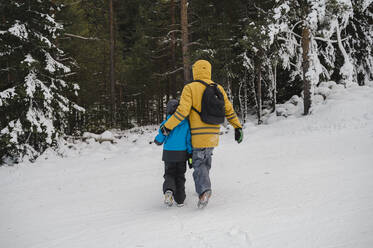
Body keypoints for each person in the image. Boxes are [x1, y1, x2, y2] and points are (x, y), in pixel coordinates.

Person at [160, 60, 243, 208]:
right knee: (206, 161)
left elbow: (182, 111)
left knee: (199, 163)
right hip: (213, 133)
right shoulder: (218, 88)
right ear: (208, 71)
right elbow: (229, 110)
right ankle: (203, 185)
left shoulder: (190, 88)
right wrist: (237, 127)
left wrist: (168, 126)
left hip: (197, 134)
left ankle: (204, 190)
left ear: (195, 71)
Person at [154, 99, 193, 207]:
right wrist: (190, 153)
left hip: (169, 153)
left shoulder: (166, 123)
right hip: (182, 153)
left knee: (169, 174)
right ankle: (180, 200)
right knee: (180, 176)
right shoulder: (186, 123)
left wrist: (157, 140)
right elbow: (189, 140)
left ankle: (168, 191)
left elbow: (160, 138)